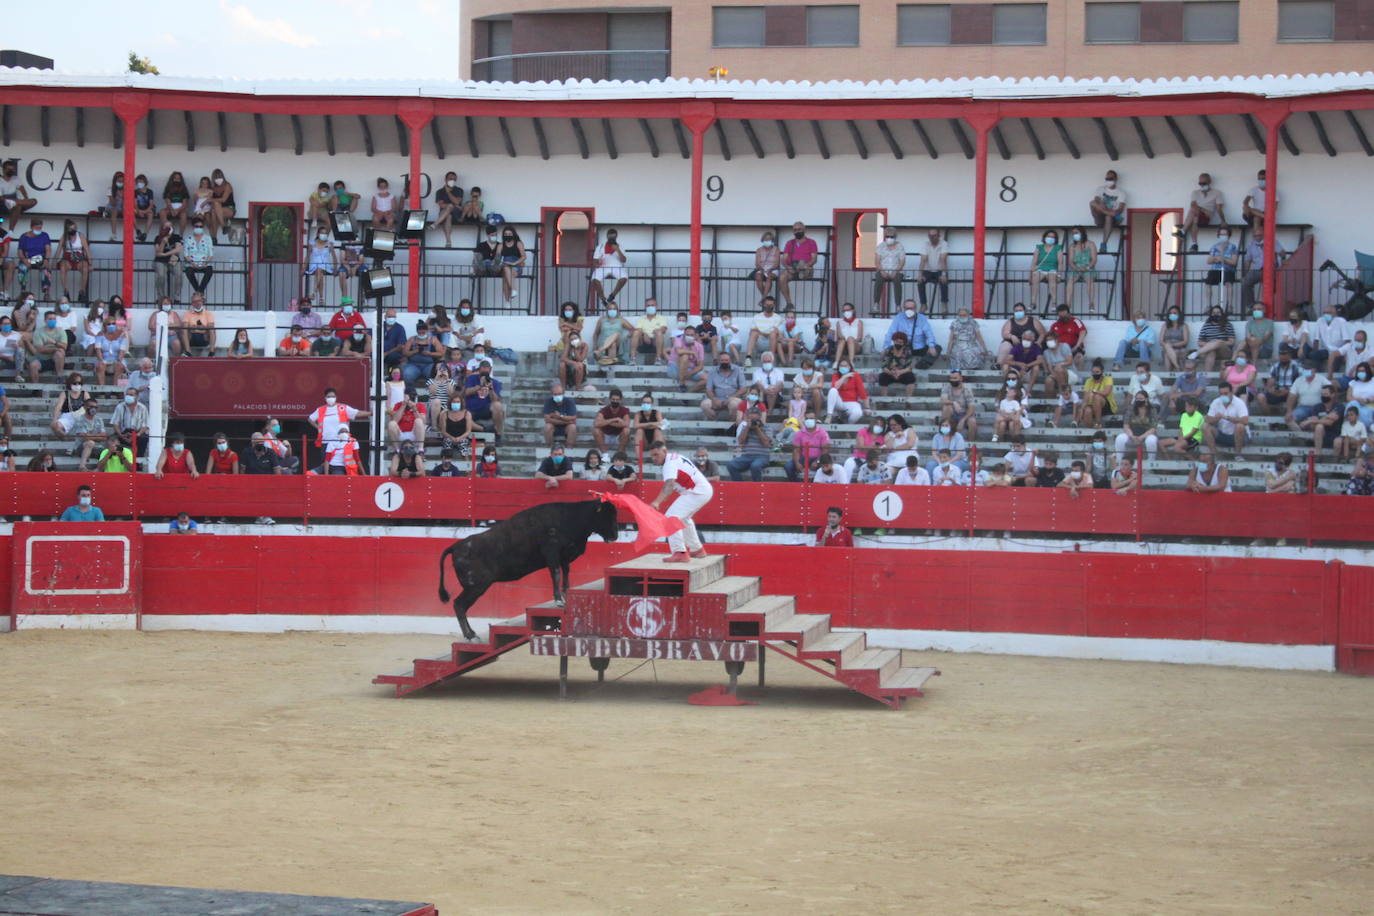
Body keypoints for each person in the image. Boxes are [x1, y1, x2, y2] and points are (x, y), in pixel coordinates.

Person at [648, 441, 714, 561]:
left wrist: (656, 502)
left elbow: (669, 485)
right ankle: (697, 550)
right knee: (684, 519)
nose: (654, 458)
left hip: (696, 491)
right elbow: (671, 487)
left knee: (671, 518)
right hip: (701, 490)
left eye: (656, 454)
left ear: (664, 451)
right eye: (652, 456)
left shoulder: (669, 464)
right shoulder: (675, 457)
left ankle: (680, 552)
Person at [308, 388, 370, 474]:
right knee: (325, 465)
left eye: (333, 396)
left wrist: (371, 413)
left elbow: (357, 413)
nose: (331, 398)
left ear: (336, 397)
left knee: (342, 466)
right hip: (326, 442)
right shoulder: (321, 410)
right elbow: (310, 419)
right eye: (328, 396)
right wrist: (318, 427)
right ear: (325, 398)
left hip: (342, 442)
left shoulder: (342, 408)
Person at [1240, 232, 1286, 316]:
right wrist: (1245, 274)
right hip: (1257, 269)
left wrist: (1273, 251)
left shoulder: (1272, 241)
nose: (1257, 237)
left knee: (1274, 288)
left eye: (1259, 235)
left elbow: (1282, 253)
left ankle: (1268, 309)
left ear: (1263, 235)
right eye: (1255, 236)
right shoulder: (1251, 244)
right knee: (1245, 282)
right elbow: (1247, 260)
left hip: (1271, 270)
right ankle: (1252, 307)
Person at [883, 300, 942, 366]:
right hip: (904, 348)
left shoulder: (922, 318)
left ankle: (923, 363)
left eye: (911, 308)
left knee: (937, 347)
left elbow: (929, 333)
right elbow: (890, 332)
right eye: (907, 308)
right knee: (891, 351)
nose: (909, 310)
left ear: (915, 308)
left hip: (919, 348)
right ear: (904, 309)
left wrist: (931, 346)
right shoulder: (898, 318)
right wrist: (886, 347)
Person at [1179, 172, 1228, 252]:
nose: (1202, 185)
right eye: (1200, 183)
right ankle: (1194, 244)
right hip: (1196, 216)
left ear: (1209, 182)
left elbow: (1219, 208)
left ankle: (1183, 231)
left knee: (1194, 212)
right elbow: (1193, 205)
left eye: (1204, 183)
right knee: (1195, 216)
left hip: (1206, 216)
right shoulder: (1195, 193)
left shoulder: (1217, 193)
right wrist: (1201, 209)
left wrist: (1223, 221)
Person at [778, 221, 818, 309]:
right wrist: (788, 267)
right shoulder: (790, 243)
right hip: (793, 267)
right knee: (781, 277)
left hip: (806, 267)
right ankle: (789, 303)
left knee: (802, 265)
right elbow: (784, 258)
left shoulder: (812, 242)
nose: (797, 231)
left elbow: (814, 259)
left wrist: (805, 266)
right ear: (793, 232)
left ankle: (802, 271)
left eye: (799, 229)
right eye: (795, 230)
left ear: (804, 229)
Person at [1204, 382, 1249, 457]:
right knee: (1205, 426)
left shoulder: (1239, 403)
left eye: (1226, 393)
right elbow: (1208, 419)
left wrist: (1226, 417)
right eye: (1221, 394)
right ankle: (1214, 454)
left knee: (1240, 426)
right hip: (1222, 434)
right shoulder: (1216, 402)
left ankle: (1238, 454)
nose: (1223, 396)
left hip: (1238, 436)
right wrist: (1216, 419)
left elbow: (1245, 420)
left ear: (1231, 393)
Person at [786, 411, 830, 482]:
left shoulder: (823, 433)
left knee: (826, 466)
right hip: (803, 458)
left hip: (818, 458)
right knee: (788, 467)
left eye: (811, 418)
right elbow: (796, 450)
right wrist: (797, 463)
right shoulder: (799, 433)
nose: (809, 420)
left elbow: (825, 450)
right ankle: (797, 486)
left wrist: (817, 461)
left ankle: (819, 486)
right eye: (807, 418)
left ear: (816, 419)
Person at [1309, 304, 1352, 376]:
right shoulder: (1320, 321)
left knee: (1335, 367)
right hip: (1326, 350)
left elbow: (1347, 340)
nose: (1326, 315)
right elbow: (1316, 339)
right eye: (1324, 313)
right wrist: (1314, 350)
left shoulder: (1341, 322)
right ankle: (1315, 374)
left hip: (1338, 351)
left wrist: (1345, 354)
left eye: (1328, 313)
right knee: (1313, 354)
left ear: (1335, 314)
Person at [945, 305, 992, 372]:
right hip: (958, 344)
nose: (962, 317)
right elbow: (951, 339)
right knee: (958, 354)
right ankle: (960, 374)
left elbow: (979, 338)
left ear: (968, 315)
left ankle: (971, 371)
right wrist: (948, 352)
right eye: (960, 315)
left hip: (971, 344)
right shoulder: (954, 323)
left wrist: (985, 350)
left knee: (973, 353)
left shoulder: (973, 323)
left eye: (964, 315)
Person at [700, 353, 746, 421]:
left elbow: (743, 389)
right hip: (717, 398)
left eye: (726, 360)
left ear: (730, 361)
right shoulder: (713, 371)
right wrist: (714, 399)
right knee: (704, 405)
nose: (724, 362)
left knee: (734, 405)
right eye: (722, 360)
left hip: (733, 398)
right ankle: (716, 424)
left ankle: (731, 426)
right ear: (718, 361)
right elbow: (708, 389)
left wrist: (731, 398)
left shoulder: (737, 370)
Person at [590, 227, 628, 306]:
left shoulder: (620, 246)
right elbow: (595, 260)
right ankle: (603, 299)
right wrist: (598, 264)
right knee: (594, 279)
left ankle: (612, 295)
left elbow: (624, 260)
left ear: (616, 237)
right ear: (607, 236)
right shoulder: (601, 246)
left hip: (617, 267)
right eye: (610, 237)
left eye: (613, 237)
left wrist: (617, 250)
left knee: (624, 278)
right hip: (603, 267)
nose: (612, 239)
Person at [1189, 306, 1235, 371]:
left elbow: (1231, 342)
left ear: (1222, 314)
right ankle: (1207, 379)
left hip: (1224, 351)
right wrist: (1212, 345)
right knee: (1211, 352)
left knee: (1218, 342)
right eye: (1214, 313)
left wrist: (1219, 343)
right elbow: (1200, 342)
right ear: (1211, 314)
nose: (1216, 314)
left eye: (1218, 312)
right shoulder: (1206, 325)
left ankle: (1197, 353)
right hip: (1209, 350)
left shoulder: (1227, 324)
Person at [728, 415, 773, 482]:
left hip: (762, 457)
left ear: (760, 419)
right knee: (731, 465)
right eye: (751, 420)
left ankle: (757, 487)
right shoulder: (745, 428)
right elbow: (740, 441)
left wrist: (757, 429)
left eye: (755, 420)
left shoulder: (767, 427)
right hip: (746, 456)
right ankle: (740, 486)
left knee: (755, 466)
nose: (753, 422)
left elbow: (766, 443)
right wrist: (747, 428)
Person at [55, 219, 91, 303]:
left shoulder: (80, 236)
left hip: (79, 258)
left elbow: (87, 250)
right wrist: (53, 262)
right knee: (62, 267)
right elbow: (58, 250)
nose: (73, 230)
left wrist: (90, 263)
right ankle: (66, 291)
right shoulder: (64, 237)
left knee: (85, 267)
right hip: (68, 258)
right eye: (71, 229)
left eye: (74, 228)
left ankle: (82, 291)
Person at [1064, 227, 1098, 312]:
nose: (1075, 235)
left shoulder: (1091, 244)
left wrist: (1087, 267)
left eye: (1076, 232)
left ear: (1082, 233)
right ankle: (1068, 304)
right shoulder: (1072, 246)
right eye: (1073, 233)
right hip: (1075, 268)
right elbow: (1070, 261)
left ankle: (1091, 303)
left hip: (1088, 268)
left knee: (1089, 279)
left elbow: (1094, 260)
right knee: (1070, 280)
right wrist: (1076, 268)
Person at [1115, 394, 1160, 461]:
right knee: (1120, 438)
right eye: (1137, 399)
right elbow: (1126, 426)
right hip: (1132, 434)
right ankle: (1119, 462)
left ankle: (1151, 463)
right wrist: (1132, 436)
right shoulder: (1130, 409)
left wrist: (1142, 437)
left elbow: (1153, 428)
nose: (1138, 400)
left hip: (1147, 434)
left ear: (1146, 399)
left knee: (1151, 441)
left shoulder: (1152, 410)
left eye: (1141, 398)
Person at [1089, 169, 1127, 247]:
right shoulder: (1100, 189)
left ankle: (1104, 243)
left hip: (1113, 218)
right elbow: (1096, 200)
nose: (1108, 181)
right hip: (1100, 216)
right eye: (1107, 179)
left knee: (1108, 217)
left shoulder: (1121, 193)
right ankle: (1109, 213)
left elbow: (1120, 209)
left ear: (1115, 179)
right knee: (1092, 202)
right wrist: (1101, 204)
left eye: (1111, 179)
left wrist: (1113, 212)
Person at [824, 359, 868, 425]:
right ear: (838, 367)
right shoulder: (835, 375)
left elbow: (862, 391)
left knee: (858, 413)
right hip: (839, 402)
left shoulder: (855, 375)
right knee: (833, 390)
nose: (843, 367)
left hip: (852, 402)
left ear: (849, 367)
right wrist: (844, 377)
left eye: (845, 366)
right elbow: (835, 386)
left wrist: (867, 407)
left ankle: (848, 424)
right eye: (841, 366)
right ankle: (829, 415)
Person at [1204, 228, 1240, 309]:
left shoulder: (1233, 247)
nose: (1223, 236)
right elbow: (1209, 261)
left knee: (1228, 283)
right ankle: (1208, 305)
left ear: (1229, 236)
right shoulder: (1214, 247)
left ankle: (1229, 306)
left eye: (1225, 234)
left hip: (1228, 270)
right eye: (1221, 234)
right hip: (1215, 269)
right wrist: (1217, 258)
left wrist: (1222, 258)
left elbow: (1234, 262)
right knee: (1208, 283)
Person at [872, 226, 906, 310]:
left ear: (895, 237)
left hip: (897, 271)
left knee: (897, 281)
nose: (889, 238)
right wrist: (882, 271)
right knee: (878, 280)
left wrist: (895, 271)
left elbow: (902, 261)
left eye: (891, 237)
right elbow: (877, 261)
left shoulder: (900, 246)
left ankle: (898, 305)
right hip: (883, 270)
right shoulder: (880, 246)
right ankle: (876, 303)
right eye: (887, 236)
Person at [1076, 359, 1117, 429]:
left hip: (1106, 406)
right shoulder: (1088, 381)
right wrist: (1082, 409)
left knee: (1097, 397)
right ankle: (1089, 434)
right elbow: (1086, 396)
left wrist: (1094, 391)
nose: (1095, 374)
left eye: (1097, 372)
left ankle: (1098, 422)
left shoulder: (1108, 379)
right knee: (1087, 411)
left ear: (1102, 372)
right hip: (1091, 404)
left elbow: (1106, 392)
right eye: (1093, 372)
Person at [744, 297, 784, 366]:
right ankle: (748, 358)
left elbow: (778, 333)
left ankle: (771, 359)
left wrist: (762, 332)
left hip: (772, 342)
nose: (768, 306)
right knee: (754, 333)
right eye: (767, 304)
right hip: (759, 342)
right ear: (763, 305)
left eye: (771, 305)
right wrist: (767, 333)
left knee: (773, 334)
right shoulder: (757, 317)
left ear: (774, 305)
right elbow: (752, 331)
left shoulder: (778, 318)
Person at [940, 369, 978, 439]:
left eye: (955, 378)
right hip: (952, 414)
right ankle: (945, 439)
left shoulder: (967, 389)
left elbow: (972, 407)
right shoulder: (946, 387)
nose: (952, 380)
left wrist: (963, 420)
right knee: (946, 407)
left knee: (972, 421)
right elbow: (943, 399)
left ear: (961, 378)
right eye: (951, 378)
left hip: (964, 414)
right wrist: (954, 402)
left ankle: (970, 445)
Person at [917, 229, 949, 311]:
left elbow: (943, 259)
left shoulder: (944, 244)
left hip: (939, 269)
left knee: (944, 281)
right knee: (920, 282)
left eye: (934, 235)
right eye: (930, 236)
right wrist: (920, 275)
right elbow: (923, 260)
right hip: (927, 270)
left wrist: (944, 274)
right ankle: (923, 304)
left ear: (939, 236)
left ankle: (944, 303)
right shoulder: (925, 244)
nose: (932, 238)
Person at [182, 218, 214, 300]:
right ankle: (200, 293)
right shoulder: (188, 238)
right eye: (197, 226)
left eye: (201, 226)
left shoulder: (208, 238)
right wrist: (192, 263)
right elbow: (185, 254)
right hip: (191, 263)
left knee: (209, 271)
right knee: (188, 271)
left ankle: (199, 292)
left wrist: (205, 263)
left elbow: (210, 253)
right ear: (193, 227)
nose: (199, 228)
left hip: (205, 263)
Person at [387, 388, 428, 453]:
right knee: (391, 424)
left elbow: (423, 422)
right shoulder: (398, 405)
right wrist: (403, 405)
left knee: (419, 421)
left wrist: (414, 410)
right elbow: (395, 420)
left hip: (414, 434)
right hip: (400, 433)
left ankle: (420, 450)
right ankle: (397, 450)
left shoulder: (420, 406)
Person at [1029, 229, 1063, 308]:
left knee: (1052, 277)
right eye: (1048, 236)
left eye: (1053, 237)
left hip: (1052, 269)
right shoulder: (1039, 247)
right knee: (1035, 276)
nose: (1050, 238)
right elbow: (1034, 262)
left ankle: (1054, 302)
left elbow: (1060, 263)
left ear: (1055, 239)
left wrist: (1059, 276)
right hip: (1040, 269)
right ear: (1044, 237)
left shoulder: (1058, 248)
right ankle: (1033, 302)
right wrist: (1030, 275)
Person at [667, 325, 706, 392]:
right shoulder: (678, 340)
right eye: (687, 335)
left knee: (708, 379)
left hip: (690, 369)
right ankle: (682, 383)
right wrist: (692, 352)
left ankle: (689, 392)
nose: (689, 336)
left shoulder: (699, 346)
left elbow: (701, 365)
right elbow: (679, 351)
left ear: (696, 336)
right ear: (684, 335)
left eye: (691, 335)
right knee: (685, 356)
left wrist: (689, 373)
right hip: (675, 367)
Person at [630, 299, 669, 364]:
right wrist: (644, 334)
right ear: (645, 307)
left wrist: (657, 331)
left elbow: (664, 329)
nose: (650, 307)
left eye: (652, 305)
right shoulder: (641, 318)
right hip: (642, 342)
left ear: (656, 306)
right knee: (636, 332)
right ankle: (632, 359)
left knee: (659, 333)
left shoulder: (661, 318)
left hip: (655, 341)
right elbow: (638, 329)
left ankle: (658, 359)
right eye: (648, 305)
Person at [593, 388, 631, 452]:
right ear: (610, 399)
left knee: (626, 430)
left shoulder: (624, 410)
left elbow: (626, 424)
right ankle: (605, 454)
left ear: (621, 400)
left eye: (617, 400)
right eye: (613, 399)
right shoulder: (604, 410)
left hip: (618, 437)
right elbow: (596, 424)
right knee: (596, 430)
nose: (615, 401)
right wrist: (615, 419)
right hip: (606, 436)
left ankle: (619, 454)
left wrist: (606, 422)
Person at [543, 383, 579, 447]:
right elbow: (547, 419)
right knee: (547, 427)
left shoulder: (569, 401)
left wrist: (559, 416)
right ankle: (550, 448)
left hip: (566, 427)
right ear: (552, 394)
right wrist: (566, 420)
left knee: (572, 427)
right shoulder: (548, 401)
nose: (557, 396)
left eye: (559, 394)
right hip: (554, 427)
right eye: (555, 394)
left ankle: (569, 449)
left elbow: (573, 418)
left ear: (563, 394)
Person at [431, 171, 462, 247]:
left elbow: (457, 202)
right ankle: (448, 241)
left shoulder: (459, 190)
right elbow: (441, 205)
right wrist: (450, 205)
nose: (452, 181)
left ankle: (436, 224)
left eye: (454, 179)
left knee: (450, 208)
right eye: (450, 179)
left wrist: (448, 193)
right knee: (448, 215)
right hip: (444, 214)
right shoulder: (440, 191)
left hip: (456, 214)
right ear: (445, 179)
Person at [498, 226, 526, 304]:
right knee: (506, 271)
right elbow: (497, 257)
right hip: (505, 265)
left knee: (507, 277)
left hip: (516, 265)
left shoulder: (518, 243)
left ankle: (507, 301)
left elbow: (524, 256)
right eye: (506, 234)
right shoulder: (501, 245)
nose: (508, 235)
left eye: (510, 233)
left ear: (513, 234)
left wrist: (514, 263)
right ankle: (513, 290)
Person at [751, 230, 780, 297]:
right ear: (763, 240)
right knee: (758, 276)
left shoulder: (776, 249)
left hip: (773, 269)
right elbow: (757, 263)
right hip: (762, 269)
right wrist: (761, 269)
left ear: (772, 240)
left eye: (769, 239)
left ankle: (764, 298)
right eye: (766, 239)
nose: (767, 240)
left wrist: (771, 269)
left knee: (769, 276)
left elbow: (777, 263)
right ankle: (765, 297)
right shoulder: (759, 250)